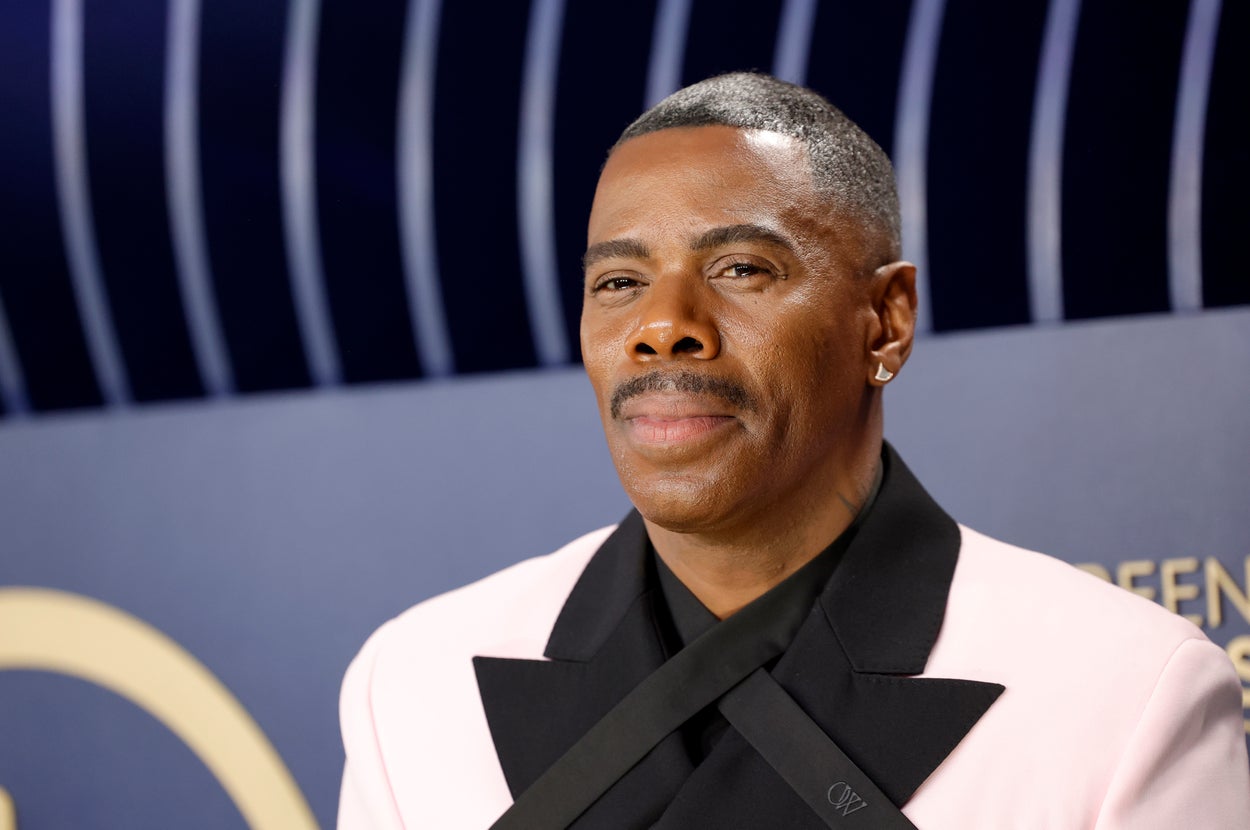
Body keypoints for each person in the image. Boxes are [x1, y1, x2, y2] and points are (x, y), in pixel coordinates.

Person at [337, 73, 1250, 828]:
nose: (663, 327)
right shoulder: (414, 682)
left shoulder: (1127, 695)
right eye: (618, 281)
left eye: (740, 270)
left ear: (885, 323)